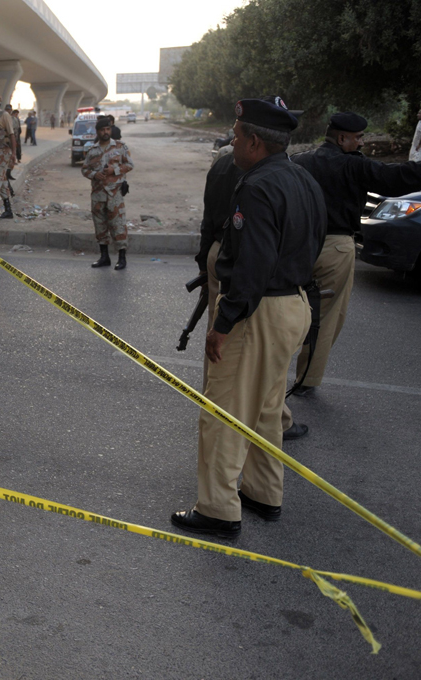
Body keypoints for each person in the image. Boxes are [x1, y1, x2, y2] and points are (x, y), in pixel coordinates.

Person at [171, 97, 326, 539]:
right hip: (293, 306)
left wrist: (223, 325)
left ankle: (218, 509)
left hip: (258, 312)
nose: (231, 143)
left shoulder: (255, 187)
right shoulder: (303, 179)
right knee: (265, 406)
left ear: (255, 142)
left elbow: (252, 265)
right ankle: (263, 493)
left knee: (224, 411)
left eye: (236, 137)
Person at [288, 111, 421, 396]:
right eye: (359, 137)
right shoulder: (352, 166)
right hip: (335, 247)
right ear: (342, 138)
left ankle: (270, 371)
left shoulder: (300, 161)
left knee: (287, 310)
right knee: (325, 317)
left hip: (298, 245)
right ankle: (306, 380)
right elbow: (395, 178)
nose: (361, 143)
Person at [196, 151, 244, 390]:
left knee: (215, 328)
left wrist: (203, 263)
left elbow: (207, 219)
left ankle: (211, 393)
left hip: (216, 250)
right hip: (238, 255)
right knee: (232, 336)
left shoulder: (220, 165)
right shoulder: (262, 170)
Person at [81, 117, 133, 269]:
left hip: (114, 193)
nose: (105, 132)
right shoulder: (92, 150)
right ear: (98, 132)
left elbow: (130, 164)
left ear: (111, 130)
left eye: (108, 129)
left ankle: (122, 258)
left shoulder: (120, 147)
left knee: (118, 225)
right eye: (102, 130)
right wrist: (94, 175)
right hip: (98, 194)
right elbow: (84, 169)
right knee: (100, 226)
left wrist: (114, 170)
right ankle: (104, 257)